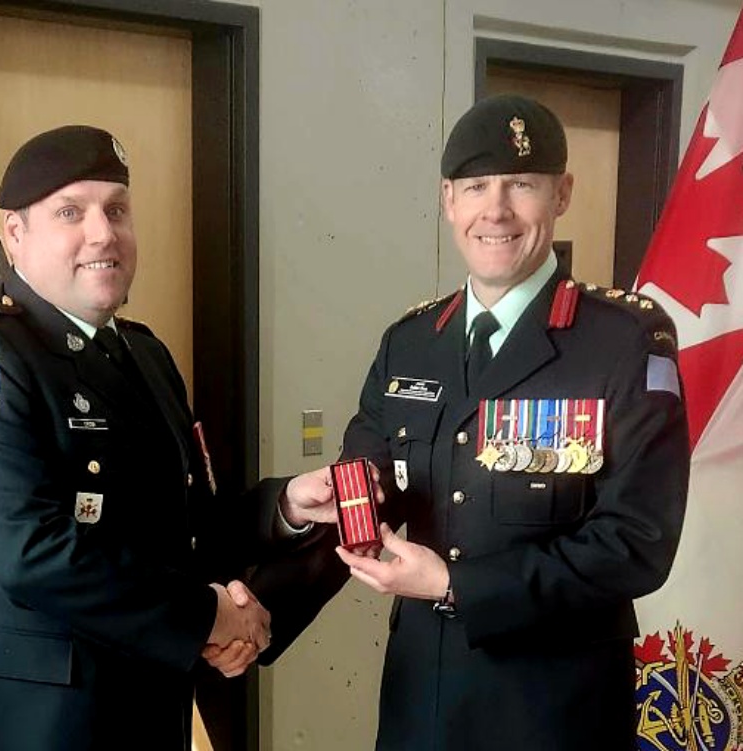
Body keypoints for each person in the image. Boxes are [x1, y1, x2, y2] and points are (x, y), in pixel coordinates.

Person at [253, 95, 690, 750]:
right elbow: (358, 509)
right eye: (477, 186)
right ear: (447, 200)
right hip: (422, 701)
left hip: (556, 708)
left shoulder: (626, 341)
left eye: (522, 184)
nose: (497, 210)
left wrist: (456, 584)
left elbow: (636, 543)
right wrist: (258, 611)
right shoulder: (410, 343)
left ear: (562, 193)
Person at [0, 125, 329, 751]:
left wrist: (285, 508)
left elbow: (183, 529)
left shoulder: (145, 356)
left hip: (142, 709)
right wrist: (210, 617)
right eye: (70, 211)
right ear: (14, 234)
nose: (103, 233)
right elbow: (30, 552)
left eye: (117, 210)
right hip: (18, 724)